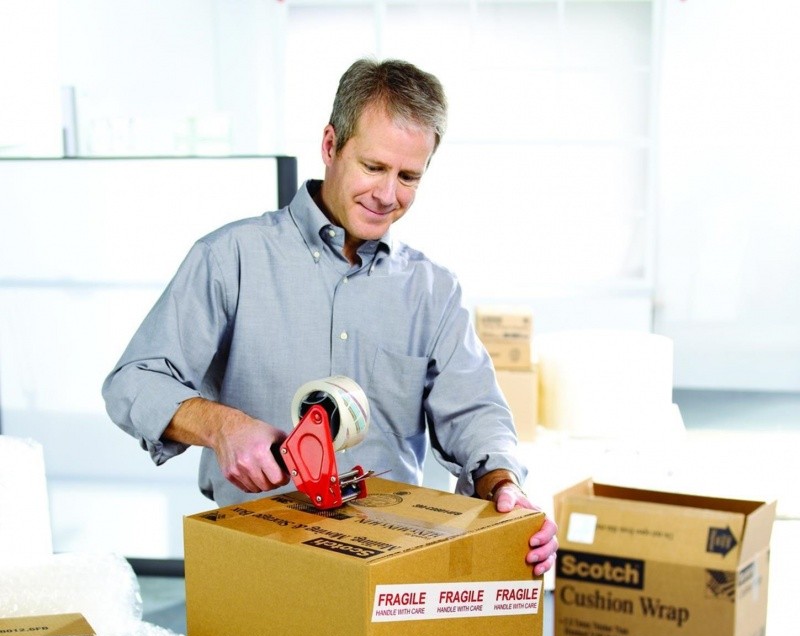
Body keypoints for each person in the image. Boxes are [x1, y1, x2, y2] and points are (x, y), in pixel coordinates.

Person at [103, 57, 557, 575]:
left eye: (409, 176)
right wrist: (222, 427)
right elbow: (133, 382)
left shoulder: (433, 291)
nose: (387, 195)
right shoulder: (230, 258)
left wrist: (503, 484)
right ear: (330, 145)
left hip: (388, 567)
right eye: (374, 167)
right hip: (255, 559)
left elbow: (476, 415)